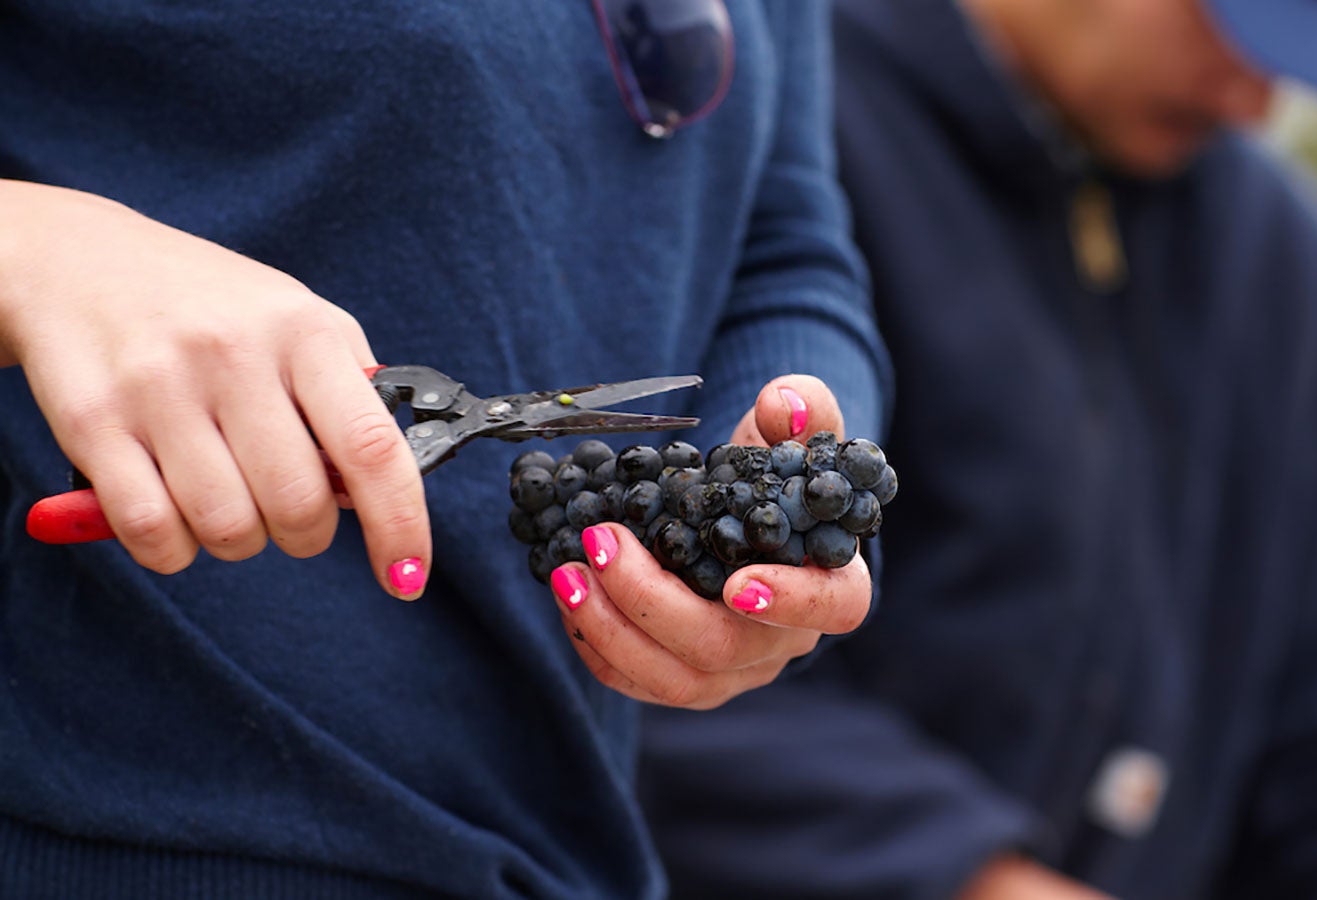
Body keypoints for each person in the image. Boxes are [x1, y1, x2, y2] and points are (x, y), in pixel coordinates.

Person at [0, 2, 889, 897]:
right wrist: (46, 250)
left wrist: (776, 500)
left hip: (560, 837)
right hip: (121, 824)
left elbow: (784, 244)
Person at [637, 0, 1317, 897]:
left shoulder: (1294, 283)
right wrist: (955, 874)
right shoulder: (771, 150)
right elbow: (639, 632)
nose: (1253, 103)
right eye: (1238, 30)